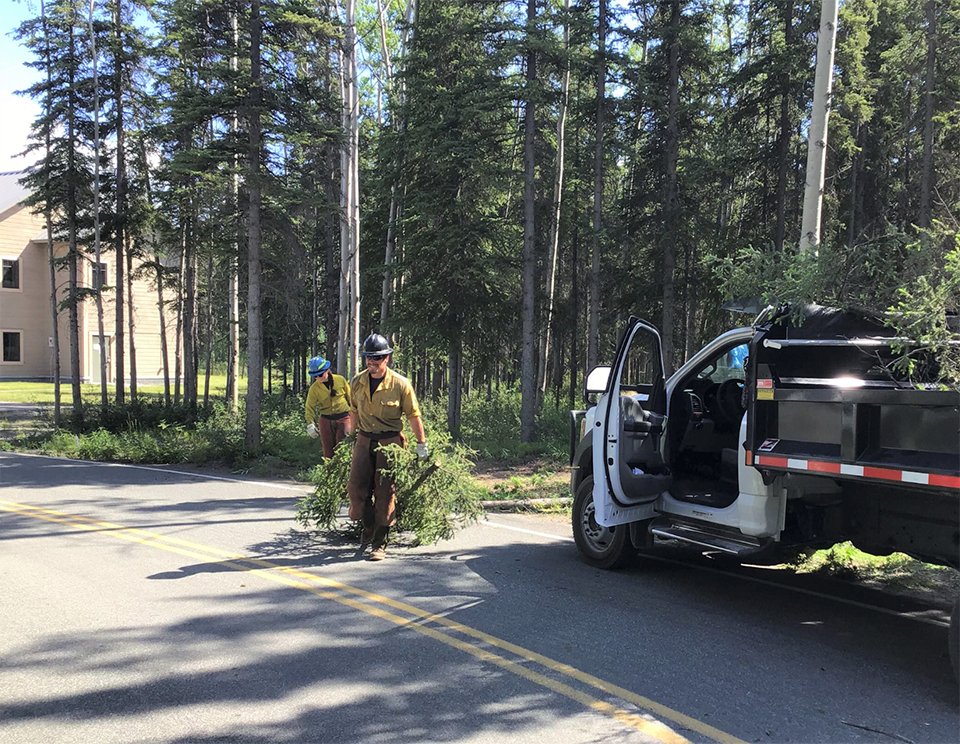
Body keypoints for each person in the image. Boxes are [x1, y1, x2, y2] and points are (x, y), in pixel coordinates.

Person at [347, 334, 428, 561]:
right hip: (364, 439)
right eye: (367, 358)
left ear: (387, 358)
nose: (370, 363)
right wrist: (350, 437)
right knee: (355, 488)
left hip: (390, 442)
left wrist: (422, 443)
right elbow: (353, 410)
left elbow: (413, 415)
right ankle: (369, 525)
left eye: (376, 358)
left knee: (384, 492)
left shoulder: (401, 384)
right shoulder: (356, 382)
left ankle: (380, 542)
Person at [305, 355, 354, 459]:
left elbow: (351, 399)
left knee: (343, 448)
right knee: (328, 452)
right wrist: (310, 424)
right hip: (326, 420)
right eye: (315, 376)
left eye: (320, 374)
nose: (318, 378)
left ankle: (345, 473)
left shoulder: (340, 380)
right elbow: (310, 407)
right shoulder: (314, 389)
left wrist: (357, 417)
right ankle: (329, 473)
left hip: (344, 418)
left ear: (327, 370)